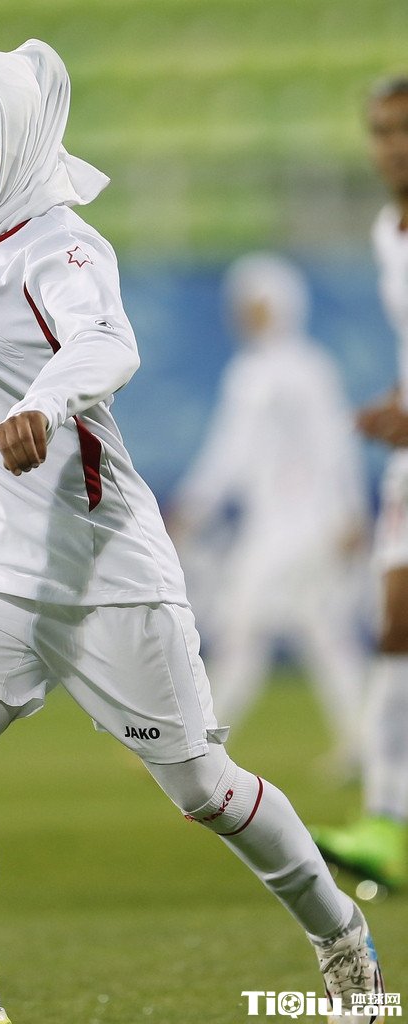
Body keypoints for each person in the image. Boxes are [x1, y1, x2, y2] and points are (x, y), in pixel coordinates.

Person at [0, 40, 385, 1024]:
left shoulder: (62, 246)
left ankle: (339, 933)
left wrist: (43, 403)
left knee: (203, 787)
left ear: (16, 151)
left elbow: (103, 342)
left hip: (100, 572)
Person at [170, 252, 371, 779]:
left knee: (244, 626)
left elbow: (233, 453)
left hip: (295, 529)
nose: (244, 313)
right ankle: (363, 741)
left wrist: (193, 505)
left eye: (254, 303)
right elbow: (324, 446)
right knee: (323, 634)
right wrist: (349, 512)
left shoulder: (267, 373)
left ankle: (201, 743)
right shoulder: (304, 367)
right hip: (297, 526)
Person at [311, 76, 408, 893]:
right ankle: (386, 821)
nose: (391, 146)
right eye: (379, 130)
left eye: (402, 129)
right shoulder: (388, 231)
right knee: (395, 624)